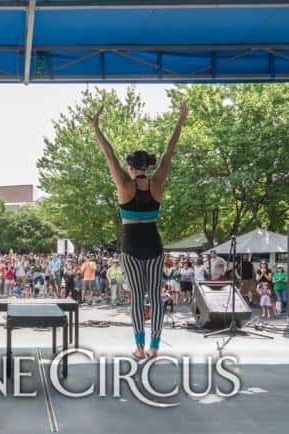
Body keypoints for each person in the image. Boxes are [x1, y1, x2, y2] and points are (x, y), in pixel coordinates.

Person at [90, 101, 188, 359]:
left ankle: (139, 347)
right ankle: (155, 346)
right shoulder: (156, 182)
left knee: (136, 298)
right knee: (155, 297)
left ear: (131, 167)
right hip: (154, 244)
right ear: (147, 166)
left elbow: (109, 154)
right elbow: (169, 152)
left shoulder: (124, 184)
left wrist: (96, 128)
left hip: (131, 247)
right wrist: (179, 122)